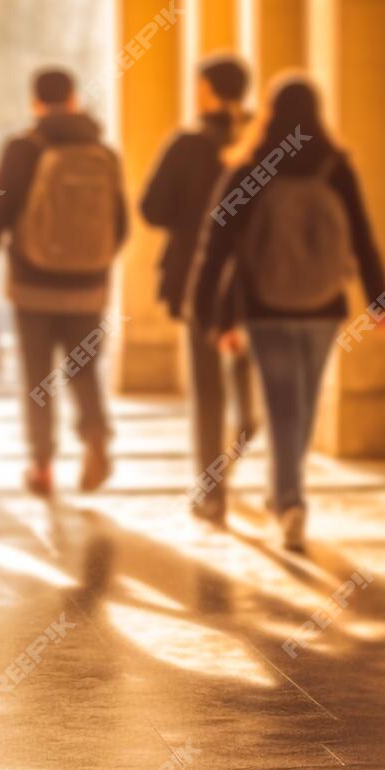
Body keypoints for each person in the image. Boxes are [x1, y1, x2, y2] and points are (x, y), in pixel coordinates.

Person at [189, 76, 385, 553]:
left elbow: (216, 244)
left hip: (267, 305)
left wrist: (209, 314)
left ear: (270, 115)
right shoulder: (335, 167)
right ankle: (286, 496)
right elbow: (363, 235)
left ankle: (289, 500)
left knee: (281, 403)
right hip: (323, 305)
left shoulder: (253, 167)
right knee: (303, 406)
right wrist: (381, 300)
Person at [0, 67, 128, 498]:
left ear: (35, 102)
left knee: (37, 375)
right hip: (88, 286)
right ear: (74, 98)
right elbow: (121, 224)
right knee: (83, 369)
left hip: (32, 283)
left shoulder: (24, 147)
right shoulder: (103, 151)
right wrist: (96, 264)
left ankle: (41, 463)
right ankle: (95, 435)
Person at [140, 55, 261, 523]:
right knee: (250, 377)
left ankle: (211, 492)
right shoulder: (262, 141)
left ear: (208, 90)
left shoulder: (188, 144)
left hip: (199, 278)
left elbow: (151, 208)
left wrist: (190, 217)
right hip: (255, 280)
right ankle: (245, 433)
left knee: (206, 386)